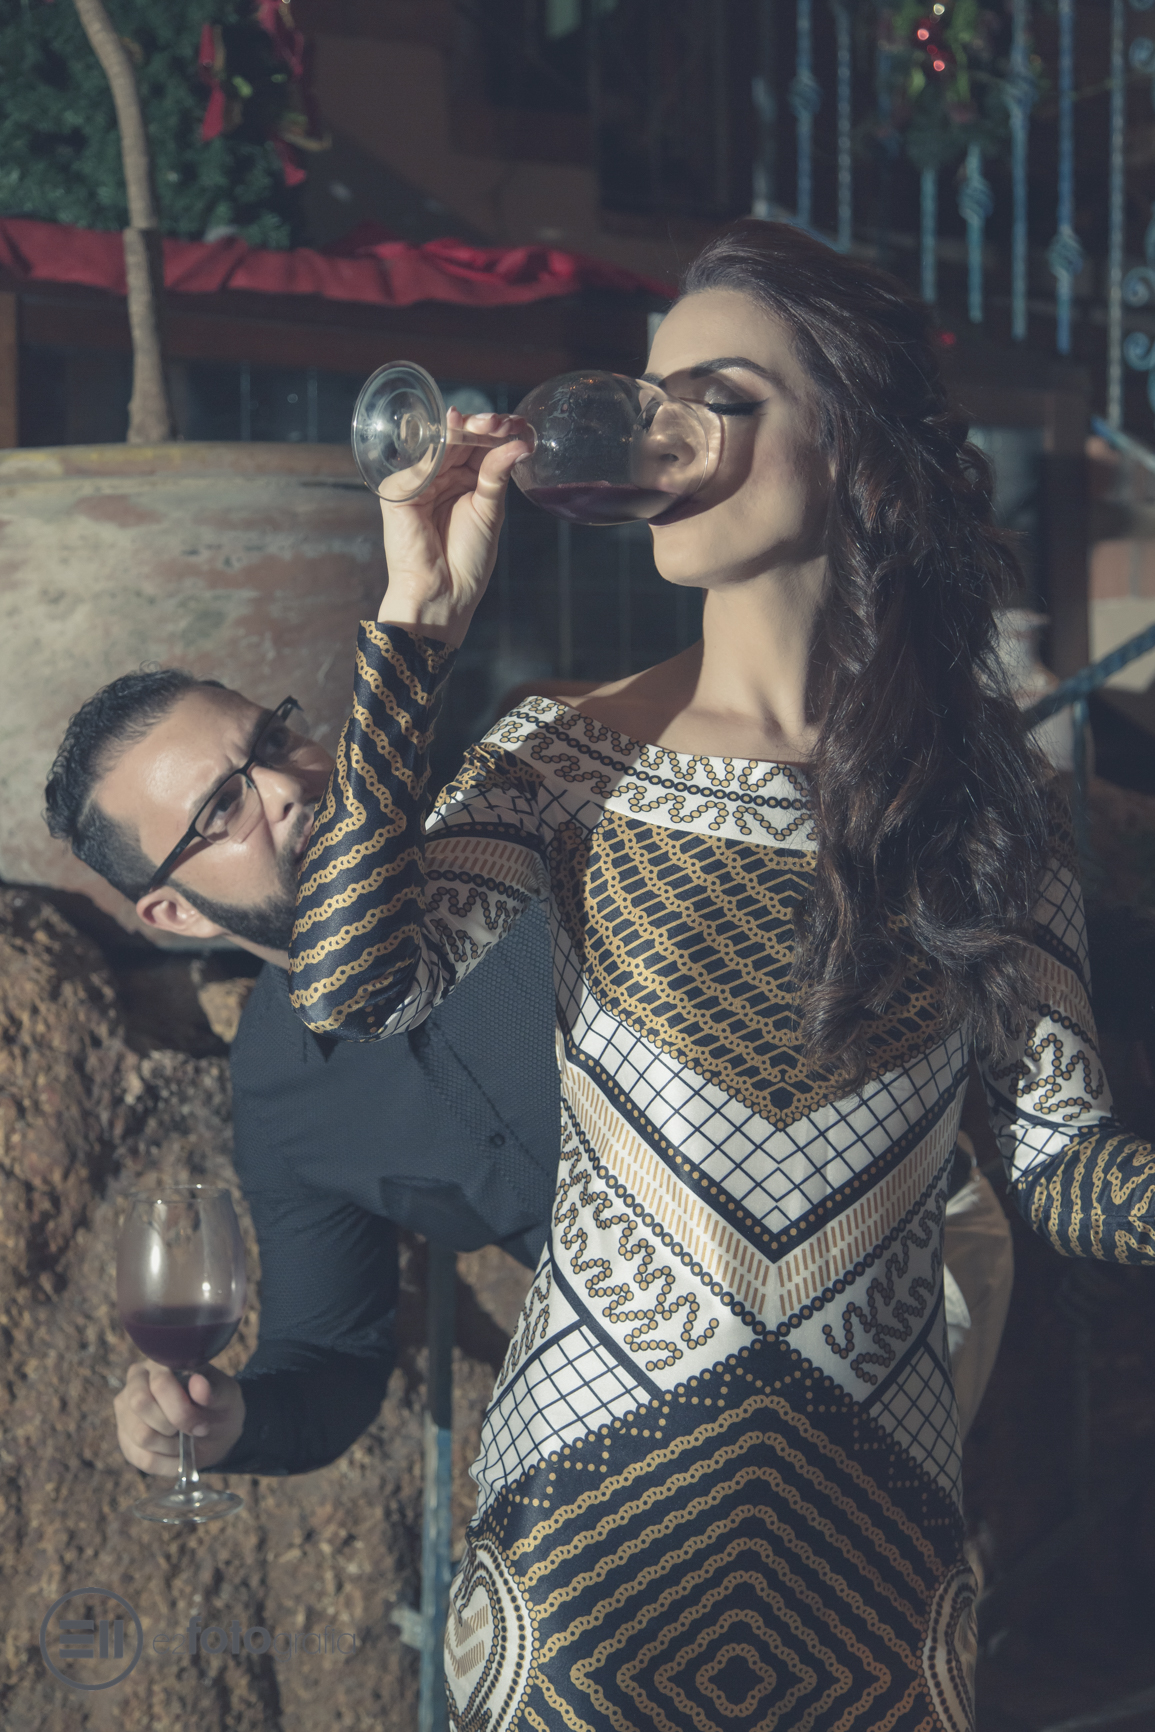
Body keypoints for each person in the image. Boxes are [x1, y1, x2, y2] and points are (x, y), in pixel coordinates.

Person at [288, 218, 1155, 1731]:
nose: (662, 435)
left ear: (853, 439)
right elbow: (354, 990)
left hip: (882, 1556)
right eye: (646, 392)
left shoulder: (972, 806)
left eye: (722, 396)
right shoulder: (565, 756)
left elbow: (1063, 1171)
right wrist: (410, 631)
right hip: (590, 1550)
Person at [43, 672, 559, 1478]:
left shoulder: (537, 834)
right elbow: (330, 1349)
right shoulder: (278, 1091)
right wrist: (229, 1423)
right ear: (176, 912)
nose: (287, 788)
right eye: (221, 808)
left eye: (273, 741)